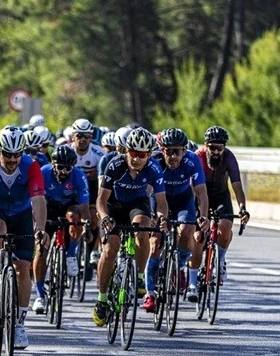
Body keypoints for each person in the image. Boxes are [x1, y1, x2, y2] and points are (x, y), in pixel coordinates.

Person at [0, 126, 47, 349]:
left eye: (17, 154)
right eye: (8, 154)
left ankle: (20, 324)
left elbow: (39, 200)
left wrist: (40, 228)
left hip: (21, 213)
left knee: (23, 268)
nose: (13, 159)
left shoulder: (31, 166)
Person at [92, 127, 168, 327]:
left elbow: (161, 202)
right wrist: (105, 217)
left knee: (144, 228)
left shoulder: (153, 168)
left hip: (137, 205)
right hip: (113, 207)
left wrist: (161, 218)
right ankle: (101, 298)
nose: (136, 159)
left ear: (149, 155)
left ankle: (140, 276)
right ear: (126, 151)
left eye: (142, 155)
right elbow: (100, 200)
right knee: (109, 250)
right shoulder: (114, 164)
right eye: (133, 153)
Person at [148, 128, 209, 309]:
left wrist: (204, 216)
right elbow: (146, 191)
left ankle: (179, 265)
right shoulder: (154, 161)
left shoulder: (192, 160)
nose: (174, 156)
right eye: (169, 151)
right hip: (159, 200)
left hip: (183, 200)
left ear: (184, 150)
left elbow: (201, 193)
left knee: (188, 230)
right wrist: (151, 215)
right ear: (162, 150)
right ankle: (150, 293)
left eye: (178, 151)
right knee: (154, 241)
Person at [189, 125, 249, 296]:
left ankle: (221, 260)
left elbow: (237, 185)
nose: (215, 152)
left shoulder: (229, 157)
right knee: (199, 238)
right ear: (205, 145)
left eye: (219, 148)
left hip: (221, 195)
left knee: (225, 227)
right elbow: (191, 186)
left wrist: (242, 208)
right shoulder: (197, 157)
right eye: (212, 147)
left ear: (224, 148)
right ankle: (193, 283)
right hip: (201, 196)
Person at [31, 144, 91, 314]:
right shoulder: (43, 173)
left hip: (68, 208)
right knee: (41, 251)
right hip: (47, 208)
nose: (64, 171)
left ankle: (71, 254)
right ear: (53, 164)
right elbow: (35, 203)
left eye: (68, 168)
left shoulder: (78, 176)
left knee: (75, 218)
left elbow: (85, 206)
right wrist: (37, 227)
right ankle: (40, 295)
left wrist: (86, 225)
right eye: (61, 167)